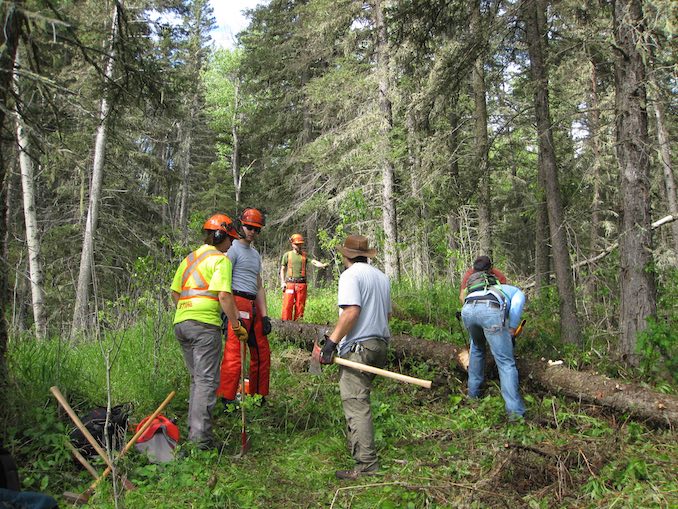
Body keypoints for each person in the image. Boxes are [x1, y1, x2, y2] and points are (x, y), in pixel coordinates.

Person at [313, 234, 391, 480]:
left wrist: (331, 343)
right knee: (359, 399)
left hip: (359, 348)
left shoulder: (350, 276)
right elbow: (386, 315)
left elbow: (351, 311)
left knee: (357, 405)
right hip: (379, 346)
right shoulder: (382, 277)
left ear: (345, 255)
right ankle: (357, 448)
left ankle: (366, 466)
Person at [170, 213, 248, 449]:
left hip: (182, 323)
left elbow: (175, 293)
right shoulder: (220, 261)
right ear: (219, 235)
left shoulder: (189, 259)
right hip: (204, 327)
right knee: (206, 381)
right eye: (230, 239)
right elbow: (224, 295)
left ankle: (194, 432)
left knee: (197, 380)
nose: (232, 244)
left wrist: (188, 310)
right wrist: (236, 325)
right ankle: (201, 440)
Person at [217, 208, 272, 405]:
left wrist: (265, 316)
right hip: (237, 300)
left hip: (253, 305)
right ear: (242, 225)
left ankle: (258, 395)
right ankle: (227, 398)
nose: (252, 232)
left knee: (262, 352)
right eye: (249, 227)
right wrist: (228, 311)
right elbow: (223, 280)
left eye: (256, 229)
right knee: (235, 352)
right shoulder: (232, 250)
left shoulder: (255, 255)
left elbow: (258, 286)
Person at [461, 280, 526, 420]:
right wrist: (512, 329)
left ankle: (473, 396)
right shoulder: (516, 292)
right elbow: (516, 306)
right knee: (505, 362)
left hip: (467, 309)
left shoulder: (483, 289)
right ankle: (515, 413)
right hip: (490, 310)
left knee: (477, 348)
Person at [280, 233, 328, 321]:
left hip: (301, 285)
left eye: (300, 244)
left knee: (300, 307)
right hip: (290, 284)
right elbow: (282, 269)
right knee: (287, 306)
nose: (298, 246)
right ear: (292, 244)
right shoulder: (287, 255)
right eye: (296, 244)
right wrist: (282, 282)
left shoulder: (305, 255)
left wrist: (321, 265)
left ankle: (298, 326)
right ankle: (285, 326)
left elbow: (313, 262)